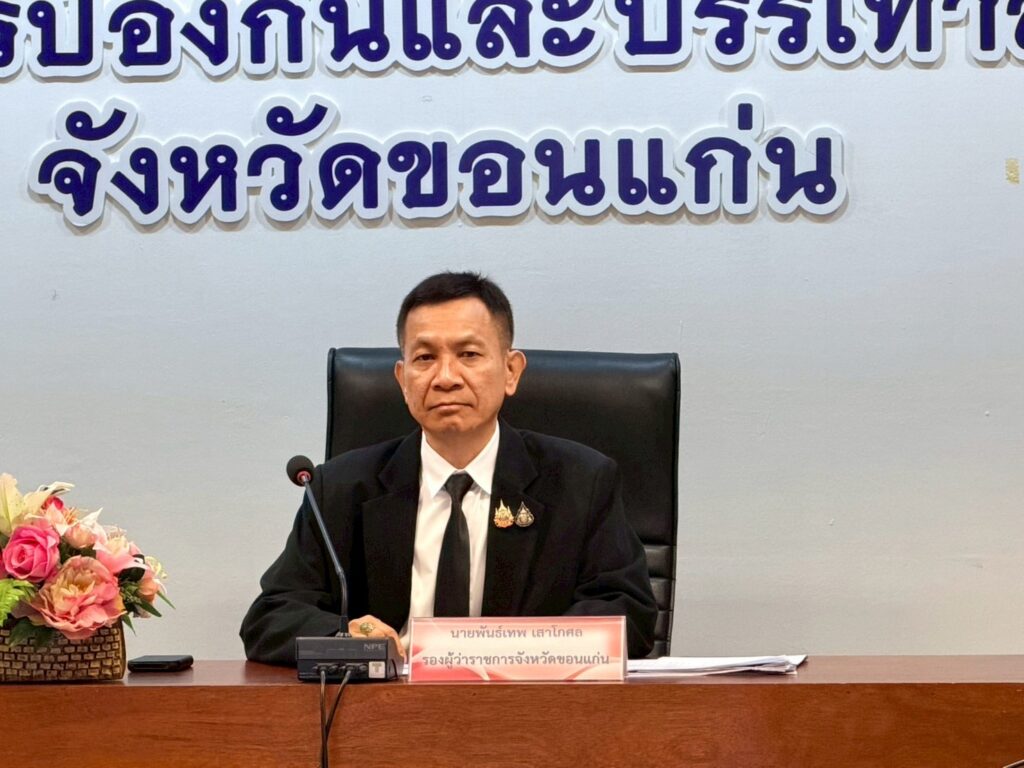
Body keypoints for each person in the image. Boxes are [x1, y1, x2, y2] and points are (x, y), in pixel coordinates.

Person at [240, 272, 657, 662]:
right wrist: (348, 636)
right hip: (386, 705)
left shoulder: (581, 481)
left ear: (511, 371)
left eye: (468, 354)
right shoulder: (340, 487)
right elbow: (271, 616)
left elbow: (629, 614)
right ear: (402, 379)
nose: (445, 377)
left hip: (525, 700)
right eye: (424, 358)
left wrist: (516, 653)